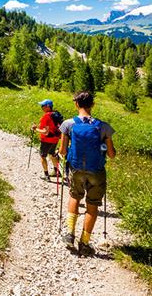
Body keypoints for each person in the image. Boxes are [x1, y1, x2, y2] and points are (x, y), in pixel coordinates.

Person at [58, 91, 116, 256]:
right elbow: (111, 155)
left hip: (76, 169)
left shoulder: (68, 124)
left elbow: (62, 152)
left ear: (76, 104)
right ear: (92, 105)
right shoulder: (103, 127)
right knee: (92, 206)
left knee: (75, 196)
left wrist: (66, 152)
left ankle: (69, 233)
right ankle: (84, 242)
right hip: (96, 171)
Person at [31, 99, 61, 181]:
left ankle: (46, 176)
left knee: (43, 156)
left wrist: (35, 129)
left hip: (46, 140)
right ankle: (57, 172)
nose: (41, 107)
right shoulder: (56, 114)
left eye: (43, 106)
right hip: (55, 139)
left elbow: (45, 132)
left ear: (48, 107)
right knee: (52, 154)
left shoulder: (46, 116)